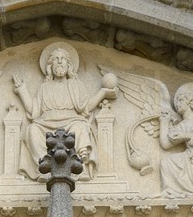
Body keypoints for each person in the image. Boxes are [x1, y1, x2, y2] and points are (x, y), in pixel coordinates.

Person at [12, 44, 116, 179]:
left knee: (80, 127)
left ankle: (80, 167)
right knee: (32, 130)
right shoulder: (44, 87)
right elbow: (34, 111)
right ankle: (45, 168)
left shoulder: (75, 85)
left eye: (63, 59)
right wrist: (22, 91)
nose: (60, 61)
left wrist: (102, 92)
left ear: (69, 66)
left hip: (71, 121)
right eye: (56, 59)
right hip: (46, 123)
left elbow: (85, 108)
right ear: (50, 65)